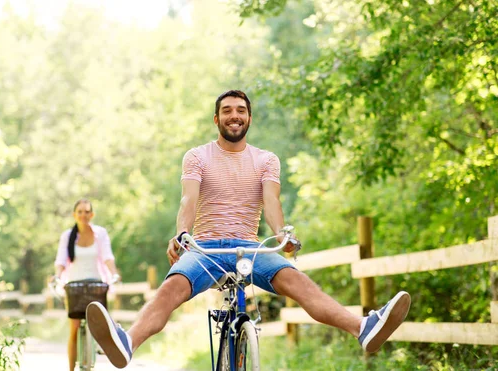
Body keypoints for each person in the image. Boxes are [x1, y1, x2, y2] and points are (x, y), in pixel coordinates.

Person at [85, 90, 411, 369]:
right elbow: (188, 199)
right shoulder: (197, 156)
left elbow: (271, 202)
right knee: (170, 291)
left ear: (249, 118)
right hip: (205, 249)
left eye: (241, 110)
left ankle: (363, 329)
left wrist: (282, 234)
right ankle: (127, 343)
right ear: (216, 119)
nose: (234, 115)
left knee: (299, 282)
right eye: (226, 110)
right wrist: (183, 234)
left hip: (250, 248)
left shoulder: (266, 160)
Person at [54, 198, 121, 371]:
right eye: (80, 212)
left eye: (86, 212)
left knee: (99, 322)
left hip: (95, 283)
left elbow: (107, 257)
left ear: (92, 214)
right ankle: (70, 368)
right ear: (74, 215)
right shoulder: (67, 236)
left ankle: (102, 346)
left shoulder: (100, 234)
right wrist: (58, 276)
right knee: (74, 328)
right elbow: (61, 261)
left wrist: (114, 273)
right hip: (74, 285)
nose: (83, 215)